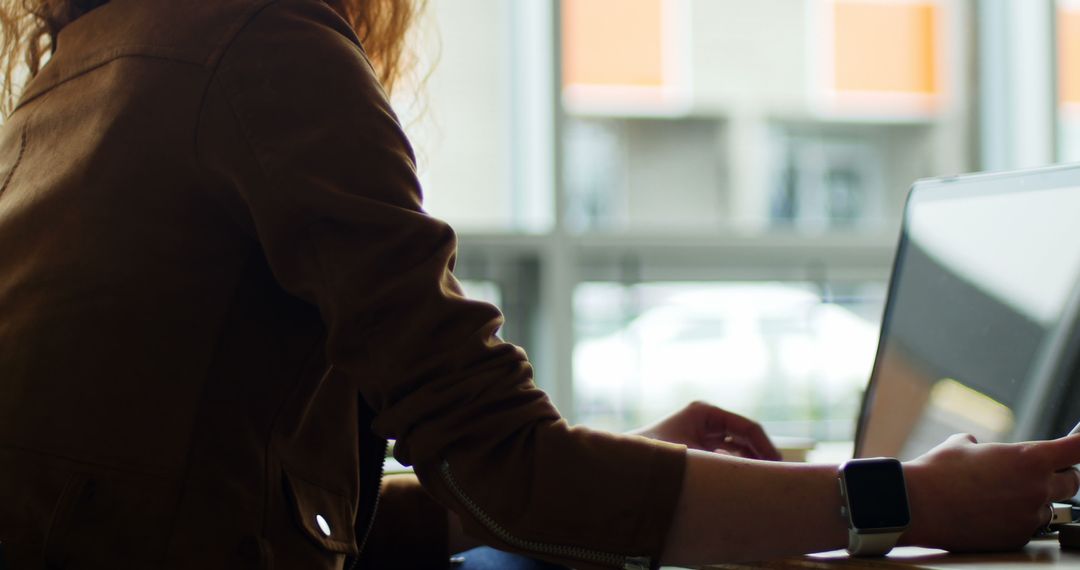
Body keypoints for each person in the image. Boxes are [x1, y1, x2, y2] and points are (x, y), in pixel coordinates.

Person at [0, 0, 1078, 568]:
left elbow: (288, 518)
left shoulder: (85, 65)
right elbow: (512, 470)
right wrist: (912, 498)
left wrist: (611, 481)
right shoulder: (261, 48)